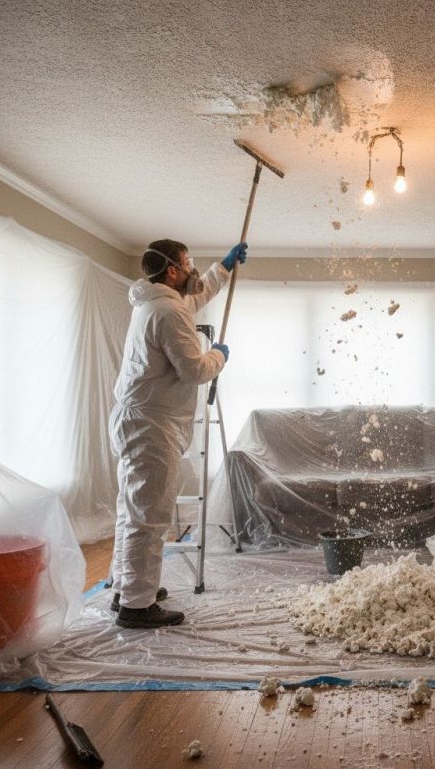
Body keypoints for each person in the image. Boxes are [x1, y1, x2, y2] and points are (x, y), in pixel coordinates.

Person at [108, 238, 247, 628]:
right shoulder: (166, 312)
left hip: (137, 419)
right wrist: (218, 354)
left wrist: (223, 267)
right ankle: (137, 606)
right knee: (148, 515)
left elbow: (194, 297)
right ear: (172, 270)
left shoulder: (157, 303)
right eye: (189, 264)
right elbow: (195, 370)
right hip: (151, 425)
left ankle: (127, 587)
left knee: (131, 510)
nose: (192, 270)